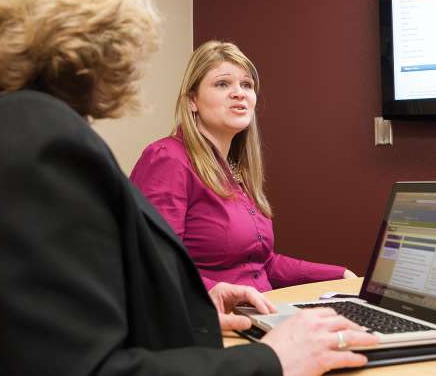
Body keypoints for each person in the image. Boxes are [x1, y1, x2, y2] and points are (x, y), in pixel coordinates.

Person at [0, 0, 376, 375]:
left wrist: (193, 312)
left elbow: (81, 322)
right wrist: (272, 360)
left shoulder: (10, 127)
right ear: (100, 18)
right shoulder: (35, 142)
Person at [130, 41, 357, 292]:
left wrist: (339, 274)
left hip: (260, 313)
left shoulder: (236, 169)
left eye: (246, 85)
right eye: (222, 83)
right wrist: (215, 292)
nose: (239, 93)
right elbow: (153, 263)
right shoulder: (168, 158)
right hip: (207, 319)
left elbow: (263, 266)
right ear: (192, 100)